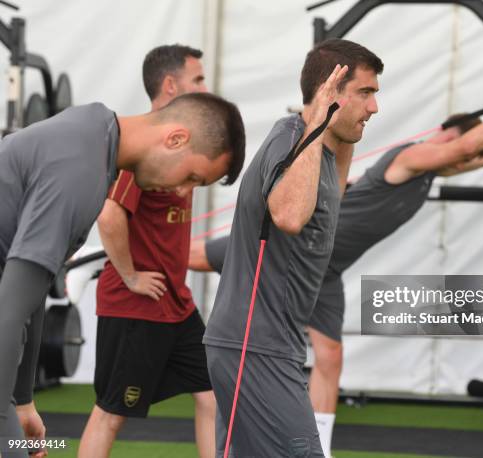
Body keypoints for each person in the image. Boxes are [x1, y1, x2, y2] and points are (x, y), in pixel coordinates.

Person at [190, 83, 483, 457]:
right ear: (446, 134)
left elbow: (479, 155)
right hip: (297, 249)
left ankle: (322, 447)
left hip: (326, 270)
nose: (464, 159)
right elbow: (468, 148)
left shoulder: (429, 173)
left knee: (330, 359)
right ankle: (149, 254)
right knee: (195, 256)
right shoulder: (407, 157)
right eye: (462, 144)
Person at [0, 56, 246, 457]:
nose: (185, 191)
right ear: (176, 139)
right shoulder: (80, 172)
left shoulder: (95, 129)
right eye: (191, 177)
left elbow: (31, 295)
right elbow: (9, 312)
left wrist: (23, 399)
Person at [203, 39, 383, 457]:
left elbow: (330, 197)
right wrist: (320, 120)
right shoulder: (292, 140)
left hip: (267, 343)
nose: (374, 107)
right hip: (255, 346)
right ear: (329, 92)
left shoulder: (320, 153)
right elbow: (287, 215)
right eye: (365, 93)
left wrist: (342, 126)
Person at [78, 44, 224, 458]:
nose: (204, 86)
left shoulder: (182, 143)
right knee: (110, 414)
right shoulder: (139, 144)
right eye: (197, 79)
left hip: (175, 304)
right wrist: (130, 276)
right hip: (135, 307)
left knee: (212, 395)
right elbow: (110, 216)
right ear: (170, 85)